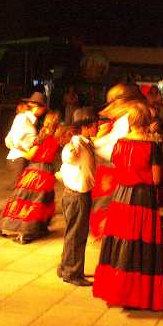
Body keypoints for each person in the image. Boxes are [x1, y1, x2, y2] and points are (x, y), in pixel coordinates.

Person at [93, 101, 163, 311]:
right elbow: (157, 178)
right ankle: (139, 295)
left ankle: (117, 291)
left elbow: (117, 166)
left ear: (130, 122)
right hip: (143, 199)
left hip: (121, 197)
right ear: (147, 121)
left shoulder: (120, 143)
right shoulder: (152, 146)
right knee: (141, 245)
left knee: (120, 243)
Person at [0, 111, 61, 243]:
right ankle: (40, 228)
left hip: (36, 172)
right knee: (42, 202)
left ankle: (22, 233)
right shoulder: (56, 138)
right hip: (48, 172)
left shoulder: (41, 137)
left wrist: (21, 148)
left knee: (25, 201)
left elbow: (30, 155)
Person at [90, 83, 145, 239]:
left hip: (117, 166)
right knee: (107, 202)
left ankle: (111, 232)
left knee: (114, 202)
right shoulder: (122, 118)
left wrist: (96, 143)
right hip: (111, 166)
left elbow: (116, 144)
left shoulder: (129, 118)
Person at [57, 107, 97, 286]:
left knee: (72, 234)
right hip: (77, 197)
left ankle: (65, 267)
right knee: (76, 235)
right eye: (94, 124)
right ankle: (72, 273)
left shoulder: (86, 143)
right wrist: (70, 141)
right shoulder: (76, 145)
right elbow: (67, 156)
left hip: (77, 195)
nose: (97, 127)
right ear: (86, 127)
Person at [4, 92, 47, 188]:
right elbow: (11, 140)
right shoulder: (23, 118)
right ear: (37, 107)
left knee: (25, 190)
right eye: (43, 108)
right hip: (18, 160)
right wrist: (27, 151)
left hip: (22, 159)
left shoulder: (31, 121)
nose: (44, 111)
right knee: (20, 192)